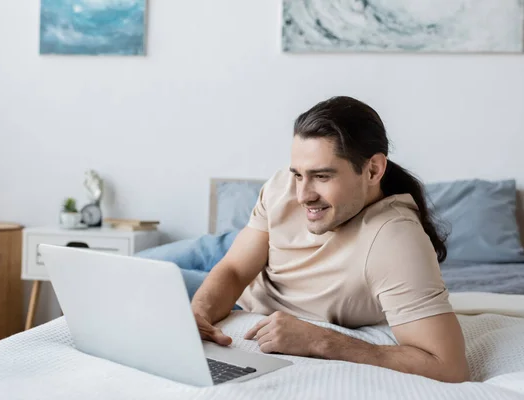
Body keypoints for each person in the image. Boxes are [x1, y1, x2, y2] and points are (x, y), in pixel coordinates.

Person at [155, 96, 469, 383]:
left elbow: (447, 366)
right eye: (297, 174)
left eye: (322, 176)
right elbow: (236, 269)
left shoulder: (395, 240)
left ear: (373, 170)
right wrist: (198, 314)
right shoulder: (283, 188)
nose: (303, 195)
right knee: (127, 276)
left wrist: (321, 340)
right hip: (244, 253)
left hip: (252, 282)